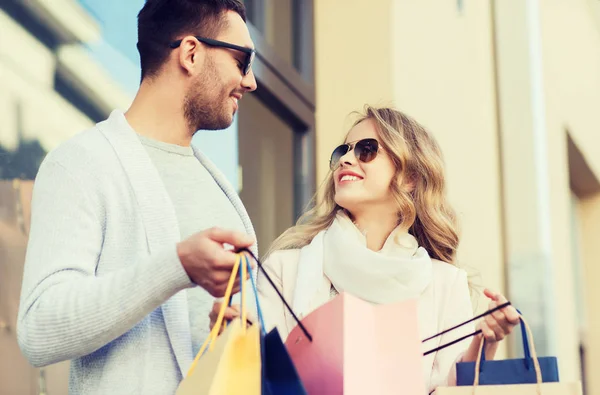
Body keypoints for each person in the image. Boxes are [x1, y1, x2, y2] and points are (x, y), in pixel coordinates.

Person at [17, 1, 258, 394]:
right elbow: (39, 327)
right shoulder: (81, 163)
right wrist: (177, 266)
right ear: (191, 53)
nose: (250, 82)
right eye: (242, 60)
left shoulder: (224, 194)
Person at [210, 106, 520, 393]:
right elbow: (257, 377)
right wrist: (233, 333)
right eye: (342, 151)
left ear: (409, 176)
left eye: (366, 150)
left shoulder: (445, 284)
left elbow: (452, 390)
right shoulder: (285, 269)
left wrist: (485, 339)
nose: (346, 160)